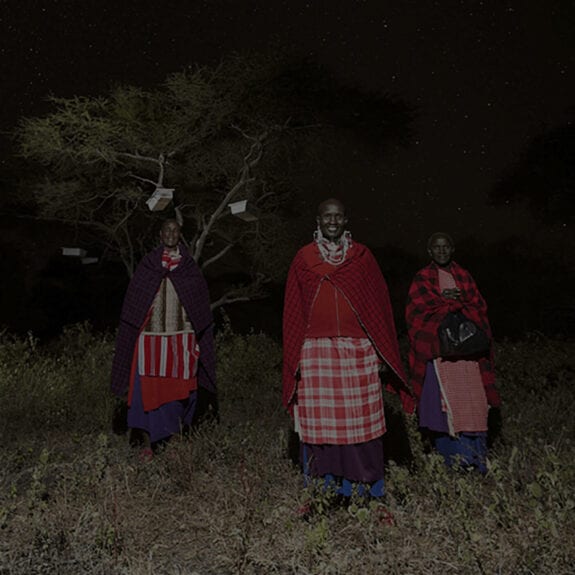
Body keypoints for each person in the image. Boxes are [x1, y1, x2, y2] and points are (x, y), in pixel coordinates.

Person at [283, 198, 412, 505]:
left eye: (338, 216)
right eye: (327, 215)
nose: (332, 221)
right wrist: (295, 356)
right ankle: (325, 488)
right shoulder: (303, 258)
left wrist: (380, 353)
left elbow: (378, 307)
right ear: (318, 219)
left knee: (361, 420)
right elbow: (293, 311)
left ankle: (369, 489)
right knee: (321, 424)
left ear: (345, 220)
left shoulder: (362, 257)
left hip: (358, 349)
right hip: (315, 351)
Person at [111, 219, 216, 456]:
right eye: (167, 230)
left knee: (179, 392)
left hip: (182, 340)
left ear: (180, 235)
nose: (171, 233)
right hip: (150, 340)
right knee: (148, 392)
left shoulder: (189, 268)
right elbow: (134, 306)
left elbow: (200, 309)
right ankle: (149, 444)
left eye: (175, 230)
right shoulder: (148, 265)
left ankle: (173, 443)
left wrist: (198, 337)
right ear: (160, 235)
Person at [405, 232, 500, 473]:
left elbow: (479, 308)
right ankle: (454, 461)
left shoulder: (464, 276)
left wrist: (459, 302)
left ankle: (476, 458)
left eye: (446, 246)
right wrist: (441, 300)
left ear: (452, 249)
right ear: (429, 251)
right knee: (447, 405)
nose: (441, 251)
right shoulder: (423, 278)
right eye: (436, 247)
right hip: (442, 357)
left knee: (474, 403)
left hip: (469, 358)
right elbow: (415, 314)